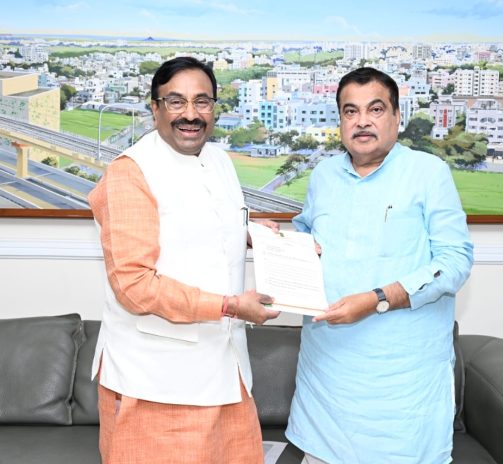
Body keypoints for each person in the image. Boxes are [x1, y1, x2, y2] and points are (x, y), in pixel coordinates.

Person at [88, 56, 279, 464]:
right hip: (156, 383)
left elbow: (200, 226)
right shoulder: (130, 173)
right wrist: (230, 306)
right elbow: (134, 286)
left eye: (201, 101)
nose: (190, 114)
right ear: (154, 109)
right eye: (175, 102)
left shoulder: (219, 160)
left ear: (214, 108)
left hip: (225, 369)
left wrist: (251, 234)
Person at [285, 67, 474, 464]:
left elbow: (455, 262)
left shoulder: (428, 173)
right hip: (326, 384)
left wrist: (376, 299)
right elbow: (308, 239)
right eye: (350, 111)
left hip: (401, 389)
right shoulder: (324, 175)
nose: (362, 121)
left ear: (396, 117)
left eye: (375, 109)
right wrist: (278, 242)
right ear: (340, 121)